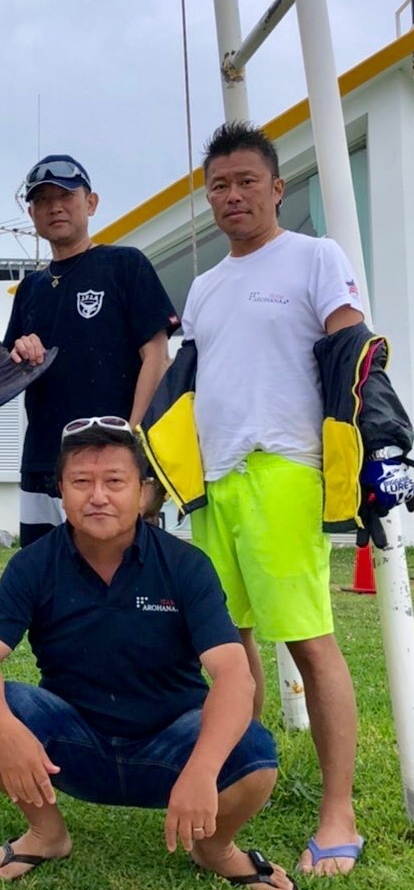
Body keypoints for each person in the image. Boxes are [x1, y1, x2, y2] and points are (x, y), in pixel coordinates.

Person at [141, 121, 414, 876]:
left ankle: (338, 811)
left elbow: (355, 354)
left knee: (308, 641)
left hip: (285, 471)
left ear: (276, 187)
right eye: (219, 186)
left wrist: (382, 446)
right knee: (228, 646)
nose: (232, 195)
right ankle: (239, 784)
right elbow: (190, 384)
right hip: (216, 483)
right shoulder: (203, 286)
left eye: (246, 182)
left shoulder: (314, 256)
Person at [0, 418, 294, 887]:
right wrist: (8, 730)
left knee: (254, 752)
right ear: (61, 490)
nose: (98, 496)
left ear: (143, 492)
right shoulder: (33, 564)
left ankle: (214, 848)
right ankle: (47, 834)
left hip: (174, 745)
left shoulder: (186, 566)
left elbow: (235, 676)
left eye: (115, 482)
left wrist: (203, 768)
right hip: (74, 742)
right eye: (81, 482)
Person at [5, 154, 179, 545]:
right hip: (42, 463)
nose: (55, 207)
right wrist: (19, 352)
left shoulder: (125, 265)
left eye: (66, 196)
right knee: (44, 574)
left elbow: (157, 356)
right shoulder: (29, 289)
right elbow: (6, 371)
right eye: (42, 200)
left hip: (110, 467)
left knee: (120, 572)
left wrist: (133, 441)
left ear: (91, 202)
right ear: (32, 214)